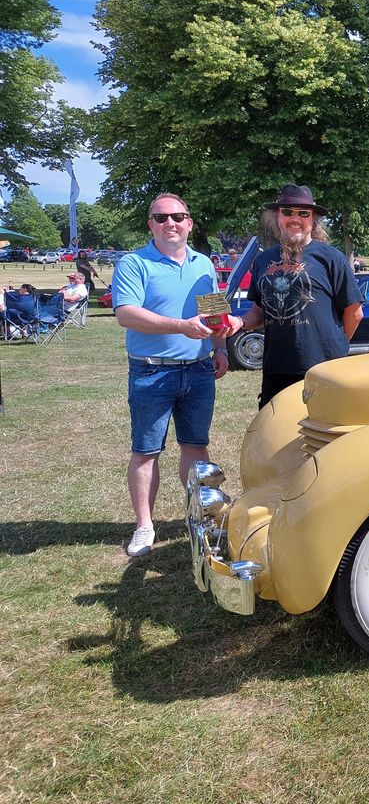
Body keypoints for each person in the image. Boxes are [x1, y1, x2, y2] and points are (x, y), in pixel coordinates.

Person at [110, 192, 235, 558]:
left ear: (189, 223)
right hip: (151, 373)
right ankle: (145, 526)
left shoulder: (204, 264)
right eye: (161, 217)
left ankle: (201, 517)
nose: (170, 224)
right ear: (150, 223)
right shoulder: (135, 263)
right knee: (146, 452)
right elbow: (126, 314)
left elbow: (213, 311)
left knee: (196, 448)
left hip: (198, 371)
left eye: (178, 217)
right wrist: (181, 326)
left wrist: (221, 348)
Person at [233, 184, 363, 409]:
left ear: (313, 219)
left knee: (322, 437)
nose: (295, 218)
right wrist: (239, 322)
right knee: (276, 435)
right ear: (277, 216)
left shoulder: (331, 258)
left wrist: (336, 346)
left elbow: (355, 312)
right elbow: (259, 310)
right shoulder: (264, 261)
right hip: (276, 367)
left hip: (323, 369)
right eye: (287, 212)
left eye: (304, 213)